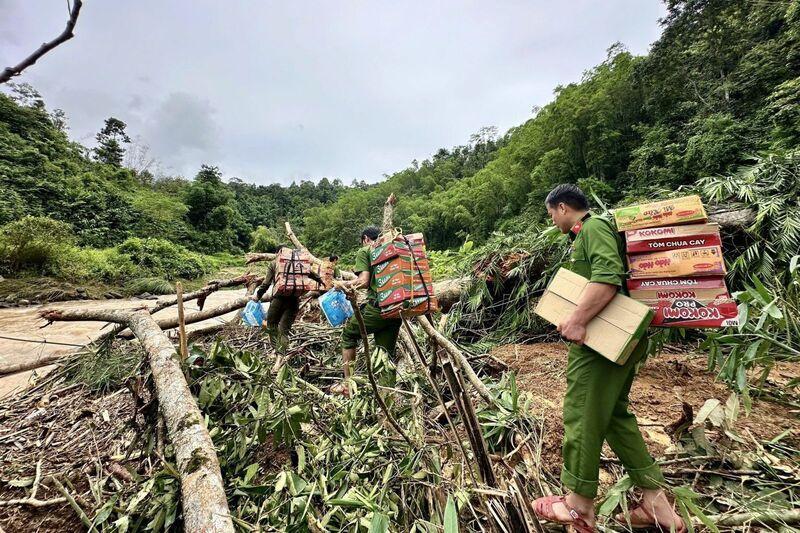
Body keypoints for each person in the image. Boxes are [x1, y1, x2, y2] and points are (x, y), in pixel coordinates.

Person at [532, 184, 686, 533]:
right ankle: (656, 504)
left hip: (601, 343)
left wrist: (577, 320)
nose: (552, 220)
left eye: (551, 214)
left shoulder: (594, 227)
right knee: (614, 417)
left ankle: (578, 506)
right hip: (612, 340)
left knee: (581, 411)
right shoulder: (585, 233)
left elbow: (607, 278)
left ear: (561, 207)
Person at [330, 226, 402, 396]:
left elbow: (363, 281)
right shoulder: (391, 250)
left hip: (378, 309)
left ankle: (348, 384)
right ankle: (387, 397)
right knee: (385, 354)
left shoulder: (365, 250)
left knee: (348, 334)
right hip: (397, 307)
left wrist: (340, 286)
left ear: (365, 239)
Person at [253, 245, 300, 353]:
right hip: (295, 300)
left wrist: (257, 296)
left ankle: (277, 352)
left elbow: (266, 283)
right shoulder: (298, 264)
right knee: (284, 331)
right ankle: (280, 356)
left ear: (277, 253)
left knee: (270, 325)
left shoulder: (274, 263)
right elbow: (312, 275)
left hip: (278, 300)